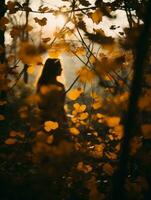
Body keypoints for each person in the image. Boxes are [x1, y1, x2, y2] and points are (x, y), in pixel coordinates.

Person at [36, 58, 67, 128]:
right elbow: (40, 105)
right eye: (59, 66)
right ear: (53, 68)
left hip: (58, 122)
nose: (62, 69)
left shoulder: (61, 86)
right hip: (44, 121)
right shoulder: (43, 85)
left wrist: (65, 123)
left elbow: (62, 107)